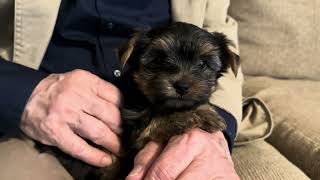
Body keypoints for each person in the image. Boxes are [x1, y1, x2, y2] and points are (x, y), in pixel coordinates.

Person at [0, 0, 242, 179]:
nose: (183, 79)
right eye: (159, 59)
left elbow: (216, 29)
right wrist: (23, 92)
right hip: (26, 126)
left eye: (200, 65)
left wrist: (218, 129)